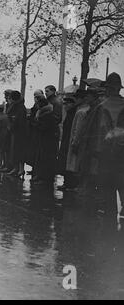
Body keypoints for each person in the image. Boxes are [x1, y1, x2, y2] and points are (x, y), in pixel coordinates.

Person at [81, 72, 124, 215]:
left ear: (108, 88)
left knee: (107, 195)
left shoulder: (100, 107)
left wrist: (90, 154)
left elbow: (92, 134)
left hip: (105, 156)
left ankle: (109, 227)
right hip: (122, 157)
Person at [33, 96, 59, 185]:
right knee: (42, 158)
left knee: (45, 159)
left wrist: (36, 125)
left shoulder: (45, 115)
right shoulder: (45, 113)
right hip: (45, 140)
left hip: (47, 140)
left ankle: (44, 178)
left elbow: (44, 127)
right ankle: (41, 176)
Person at [57, 96, 78, 190]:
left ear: (72, 104)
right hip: (66, 140)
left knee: (68, 162)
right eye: (64, 104)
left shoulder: (73, 114)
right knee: (65, 162)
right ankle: (67, 182)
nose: (65, 106)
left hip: (69, 140)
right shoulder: (69, 113)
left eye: (67, 104)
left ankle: (70, 183)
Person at [6, 91, 27, 178]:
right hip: (15, 130)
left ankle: (20, 169)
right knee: (14, 150)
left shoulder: (20, 107)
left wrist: (12, 121)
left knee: (19, 150)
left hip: (19, 131)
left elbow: (19, 119)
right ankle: (16, 168)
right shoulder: (16, 106)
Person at [27, 89, 44, 178]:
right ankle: (34, 169)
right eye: (34, 96)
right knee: (33, 150)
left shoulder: (42, 105)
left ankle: (36, 171)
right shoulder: (36, 105)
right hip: (33, 129)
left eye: (37, 96)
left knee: (37, 151)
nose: (35, 98)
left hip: (36, 129)